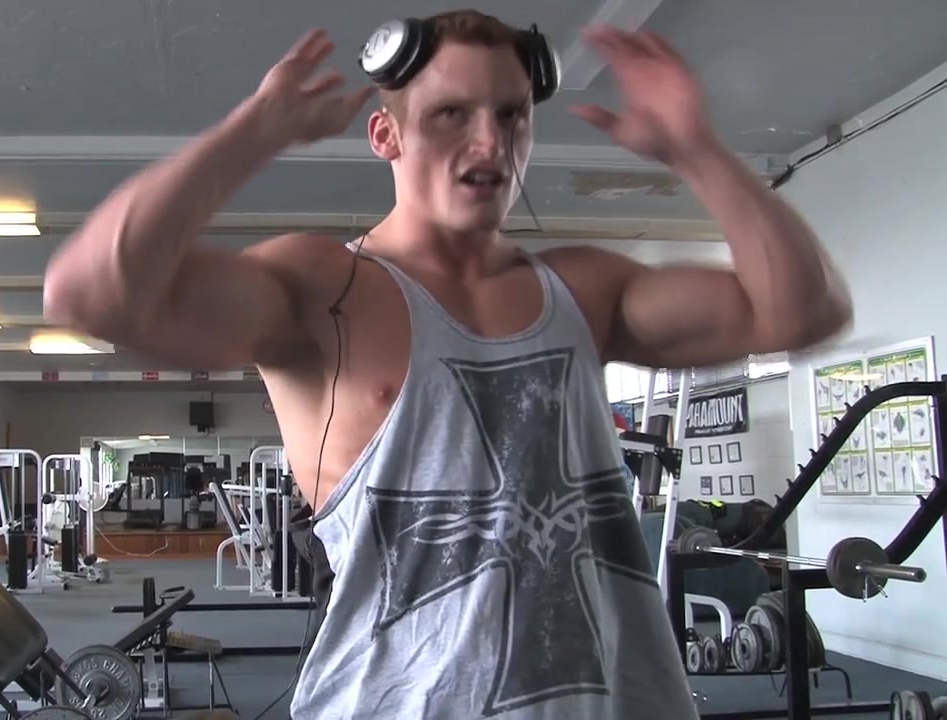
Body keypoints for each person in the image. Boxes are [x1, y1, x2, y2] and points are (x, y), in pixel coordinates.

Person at [43, 10, 852, 718]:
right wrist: (249, 135)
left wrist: (698, 150)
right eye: (452, 114)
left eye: (512, 114)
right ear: (386, 135)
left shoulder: (586, 289)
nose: (490, 142)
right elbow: (91, 292)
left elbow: (801, 311)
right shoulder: (325, 289)